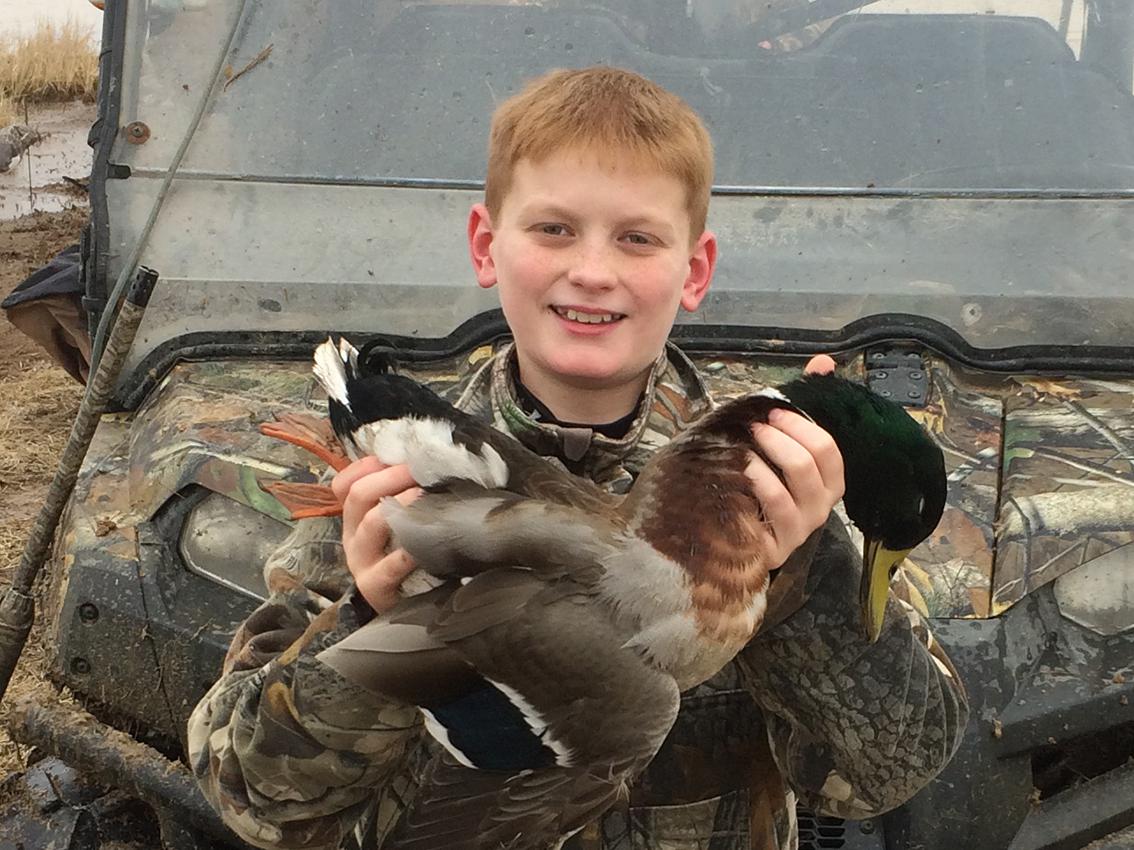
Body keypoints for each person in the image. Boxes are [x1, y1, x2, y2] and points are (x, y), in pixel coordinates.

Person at [188, 66, 968, 850]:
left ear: (693, 270)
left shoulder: (791, 491)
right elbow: (253, 795)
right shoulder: (389, 490)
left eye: (637, 237)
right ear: (487, 247)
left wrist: (806, 570)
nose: (593, 271)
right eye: (554, 229)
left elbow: (884, 777)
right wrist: (370, 614)